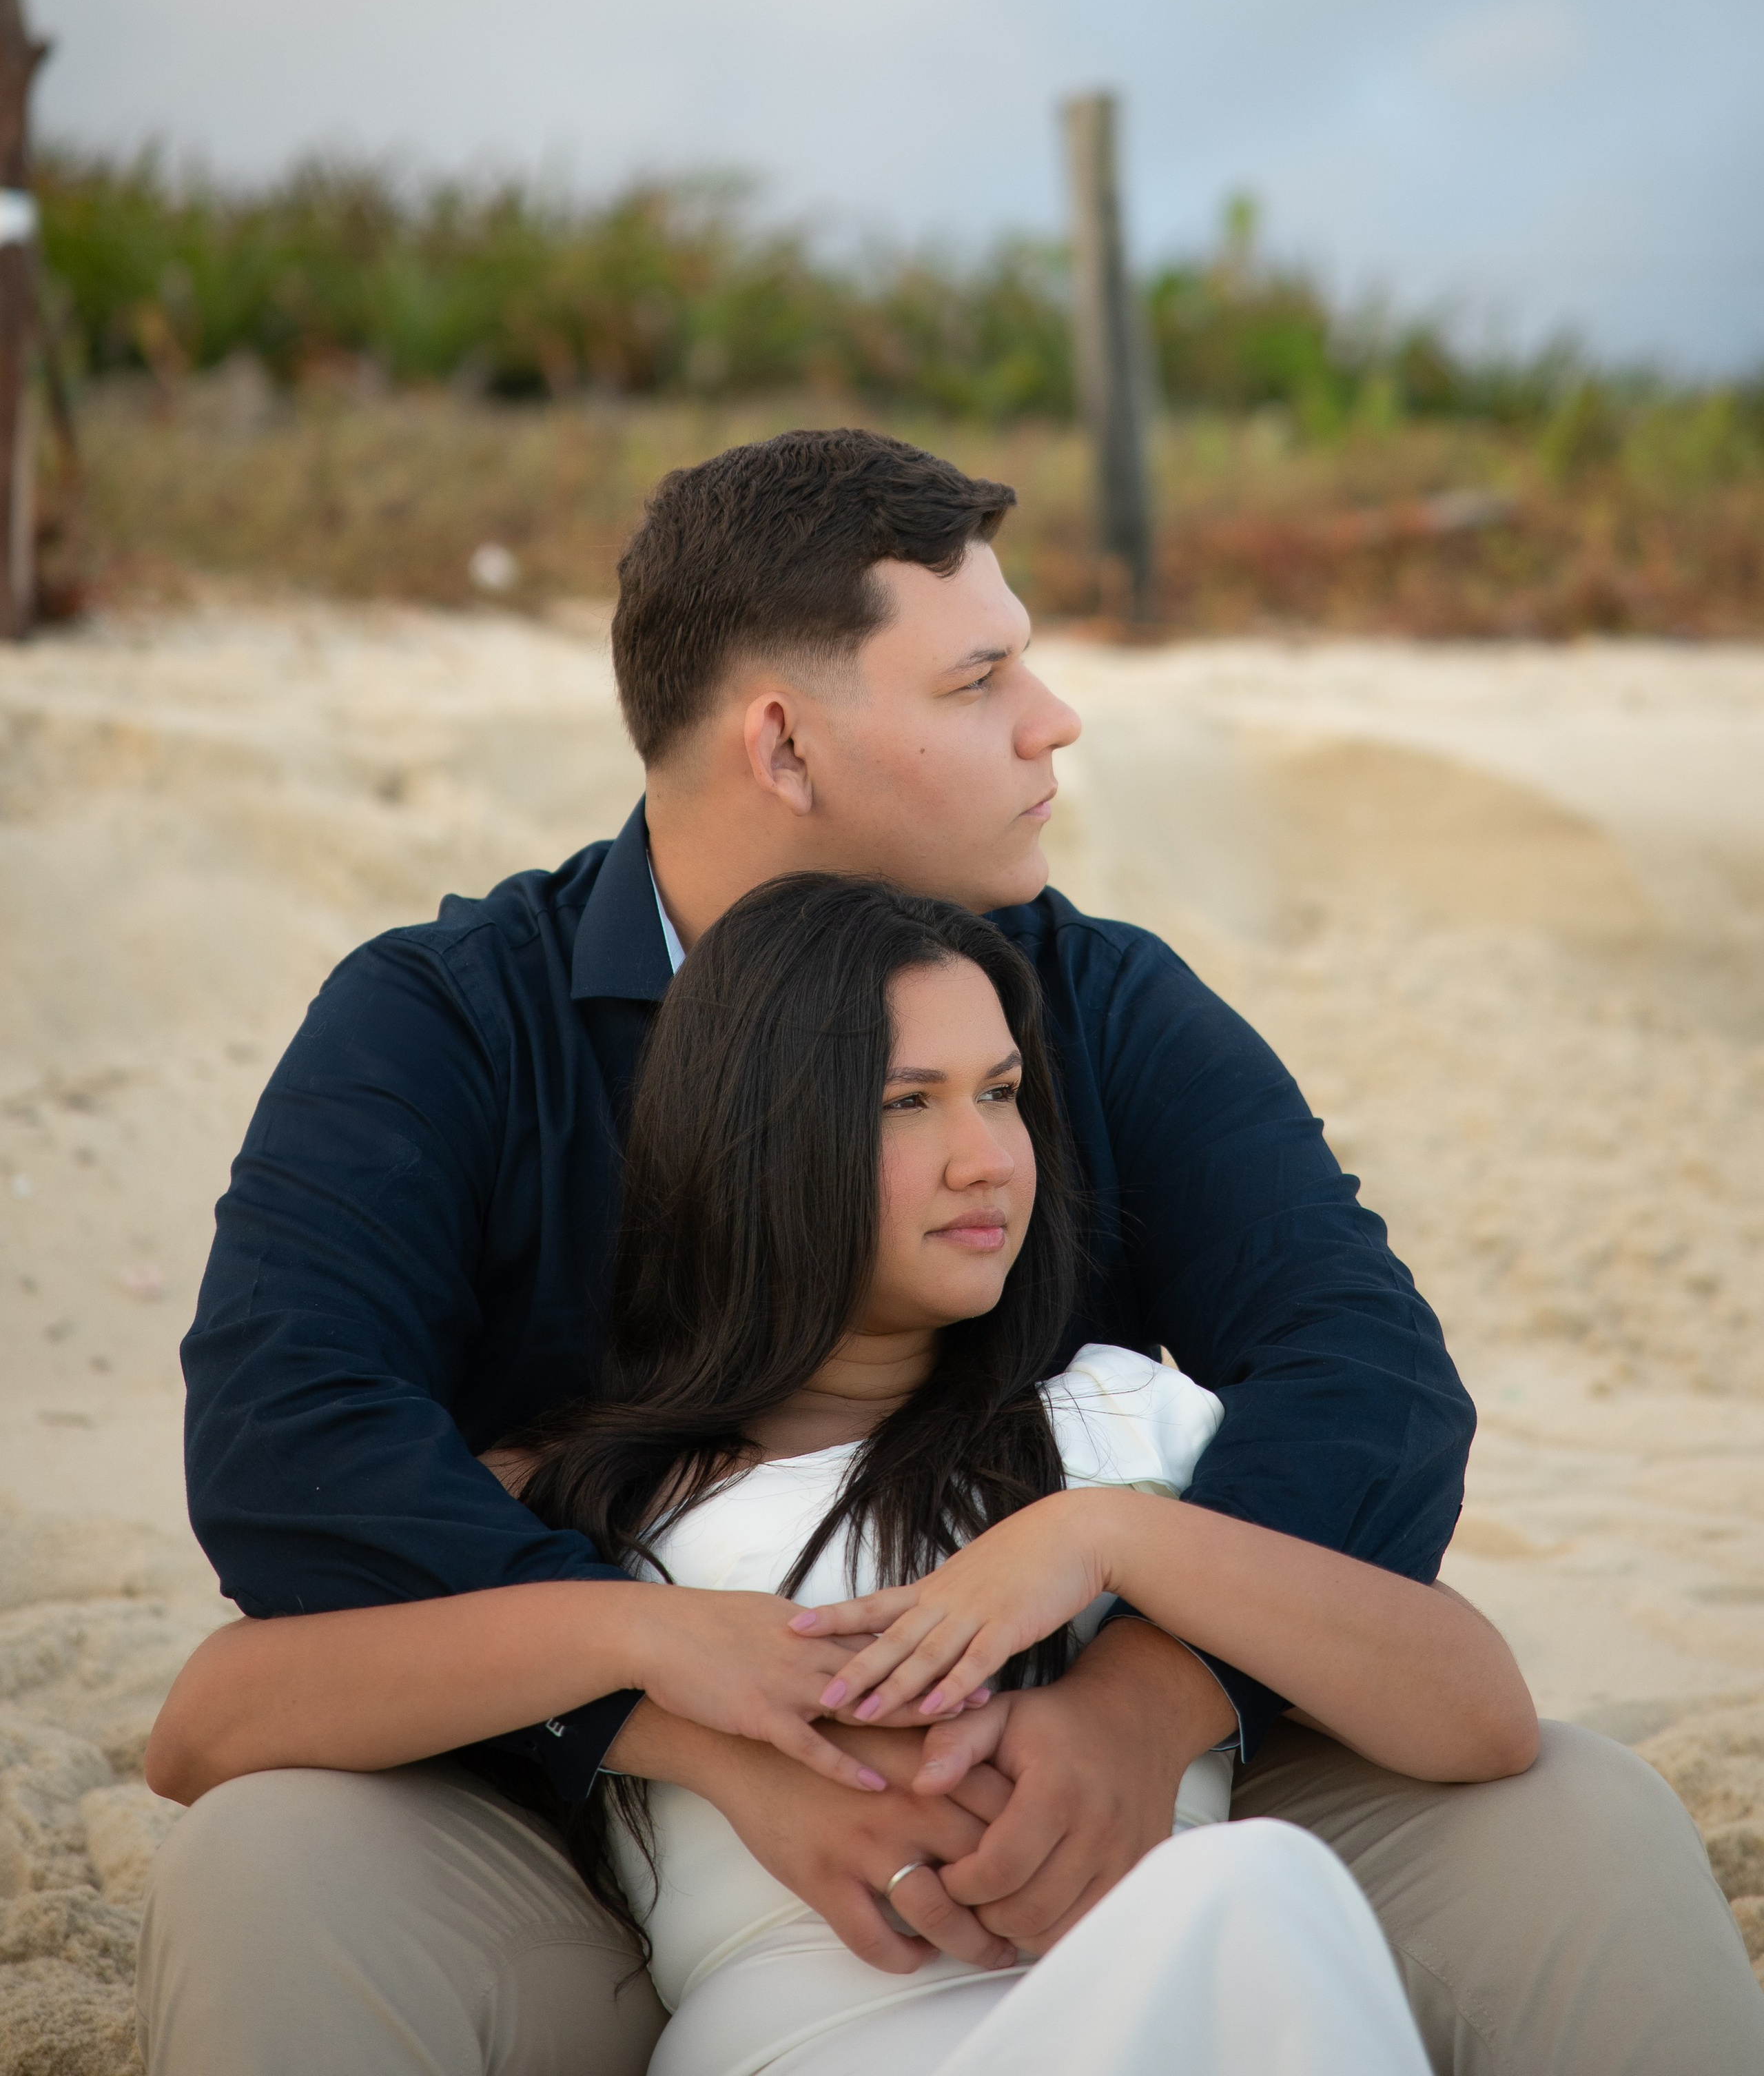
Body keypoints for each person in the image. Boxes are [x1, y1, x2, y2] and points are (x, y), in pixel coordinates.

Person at [138, 429, 1763, 2075]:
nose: (1050, 722)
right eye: (978, 680)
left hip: (1095, 1780)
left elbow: (1365, 1379)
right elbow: (293, 1453)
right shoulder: (449, 1022)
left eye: (989, 1097)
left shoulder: (1103, 1002)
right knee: (268, 1858)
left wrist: (1144, 1700)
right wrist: (675, 1720)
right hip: (565, 1807)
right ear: (782, 743)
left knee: (1575, 1820)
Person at [150, 873, 1530, 2072]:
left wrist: (1110, 1545)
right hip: (812, 2048)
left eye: (1000, 1094)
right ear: (756, 1147)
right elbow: (206, 1726)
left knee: (1255, 1888)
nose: (987, 1156)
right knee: (1255, 1898)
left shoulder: (1122, 1433)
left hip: (1176, 2016)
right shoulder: (608, 1500)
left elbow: (1479, 1716)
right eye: (907, 1103)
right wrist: (645, 1644)